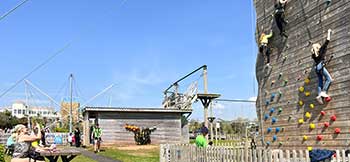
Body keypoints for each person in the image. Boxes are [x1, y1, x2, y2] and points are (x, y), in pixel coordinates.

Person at [311, 29, 333, 104]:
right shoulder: (321, 50)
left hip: (316, 68)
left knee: (320, 81)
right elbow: (327, 40)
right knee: (329, 79)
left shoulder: (313, 55)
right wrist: (329, 32)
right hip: (320, 66)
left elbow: (315, 55)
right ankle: (323, 92)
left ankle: (319, 94)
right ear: (318, 47)